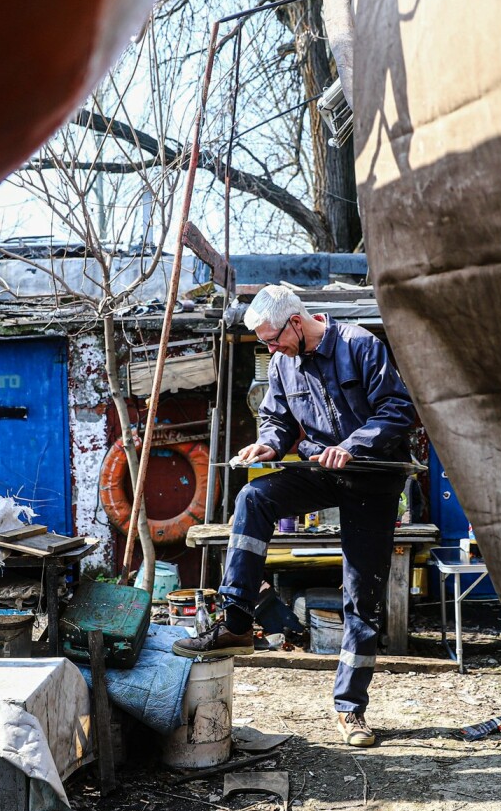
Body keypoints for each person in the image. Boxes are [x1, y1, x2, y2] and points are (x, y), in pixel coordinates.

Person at [173, 285, 415, 748]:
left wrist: (352, 446)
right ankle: (238, 621)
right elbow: (278, 420)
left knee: (360, 596)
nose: (270, 350)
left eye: (272, 339)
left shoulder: (360, 345)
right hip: (321, 470)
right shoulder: (283, 363)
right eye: (264, 343)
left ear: (297, 323)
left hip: (372, 476)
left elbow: (399, 410)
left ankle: (351, 710)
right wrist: (267, 443)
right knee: (253, 498)